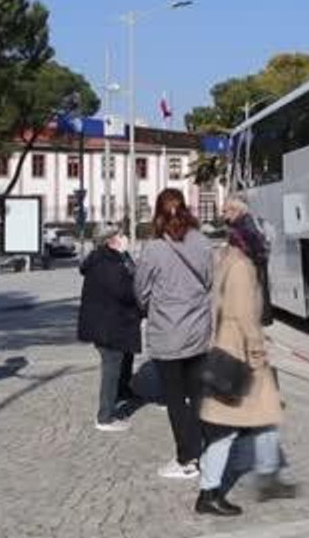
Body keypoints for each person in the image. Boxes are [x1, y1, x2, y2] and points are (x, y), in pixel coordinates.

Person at [195, 221, 297, 517]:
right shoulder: (242, 267)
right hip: (239, 353)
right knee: (228, 429)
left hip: (231, 347)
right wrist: (255, 351)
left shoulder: (228, 259)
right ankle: (209, 492)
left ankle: (266, 475)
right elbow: (244, 315)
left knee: (265, 417)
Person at [134, 188, 214, 480]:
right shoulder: (203, 242)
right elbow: (208, 281)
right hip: (197, 330)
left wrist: (152, 307)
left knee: (175, 398)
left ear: (157, 213)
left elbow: (140, 291)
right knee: (198, 394)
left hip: (168, 332)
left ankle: (186, 459)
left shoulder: (153, 249)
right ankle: (208, 450)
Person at [77, 230, 142, 431]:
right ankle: (105, 417)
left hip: (111, 322)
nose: (125, 239)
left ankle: (123, 392)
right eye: (121, 236)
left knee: (125, 357)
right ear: (112, 241)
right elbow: (127, 289)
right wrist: (124, 256)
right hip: (110, 325)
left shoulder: (103, 258)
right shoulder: (109, 262)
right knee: (112, 366)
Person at [221, 196, 272, 326]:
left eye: (225, 211)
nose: (223, 214)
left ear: (235, 210)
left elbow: (258, 250)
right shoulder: (240, 224)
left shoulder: (246, 226)